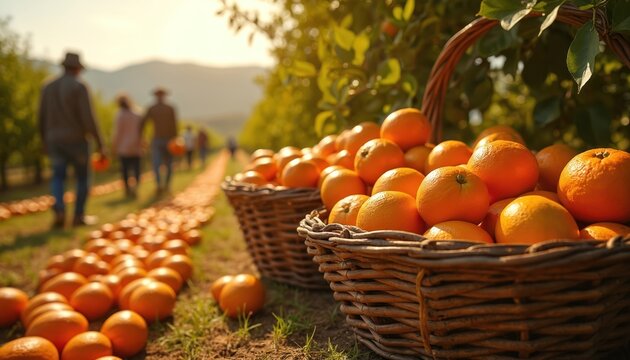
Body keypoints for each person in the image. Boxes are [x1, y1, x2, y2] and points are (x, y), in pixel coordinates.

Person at [38, 52, 104, 228]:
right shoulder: (79, 86)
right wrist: (100, 142)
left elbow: (41, 117)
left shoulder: (48, 87)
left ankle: (59, 210)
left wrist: (44, 140)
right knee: (82, 177)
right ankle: (78, 216)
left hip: (54, 140)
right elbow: (88, 118)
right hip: (76, 140)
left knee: (58, 176)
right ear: (77, 69)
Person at [140, 87, 178, 194]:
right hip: (161, 140)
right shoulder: (166, 108)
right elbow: (143, 123)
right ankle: (161, 185)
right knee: (162, 164)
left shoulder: (158, 108)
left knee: (163, 164)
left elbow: (143, 123)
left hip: (164, 140)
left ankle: (164, 185)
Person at [112, 94, 142, 197]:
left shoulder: (120, 115)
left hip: (123, 147)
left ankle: (128, 190)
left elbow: (117, 132)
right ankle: (136, 187)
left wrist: (114, 146)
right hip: (136, 146)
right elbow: (141, 131)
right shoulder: (137, 113)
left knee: (125, 170)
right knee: (136, 169)